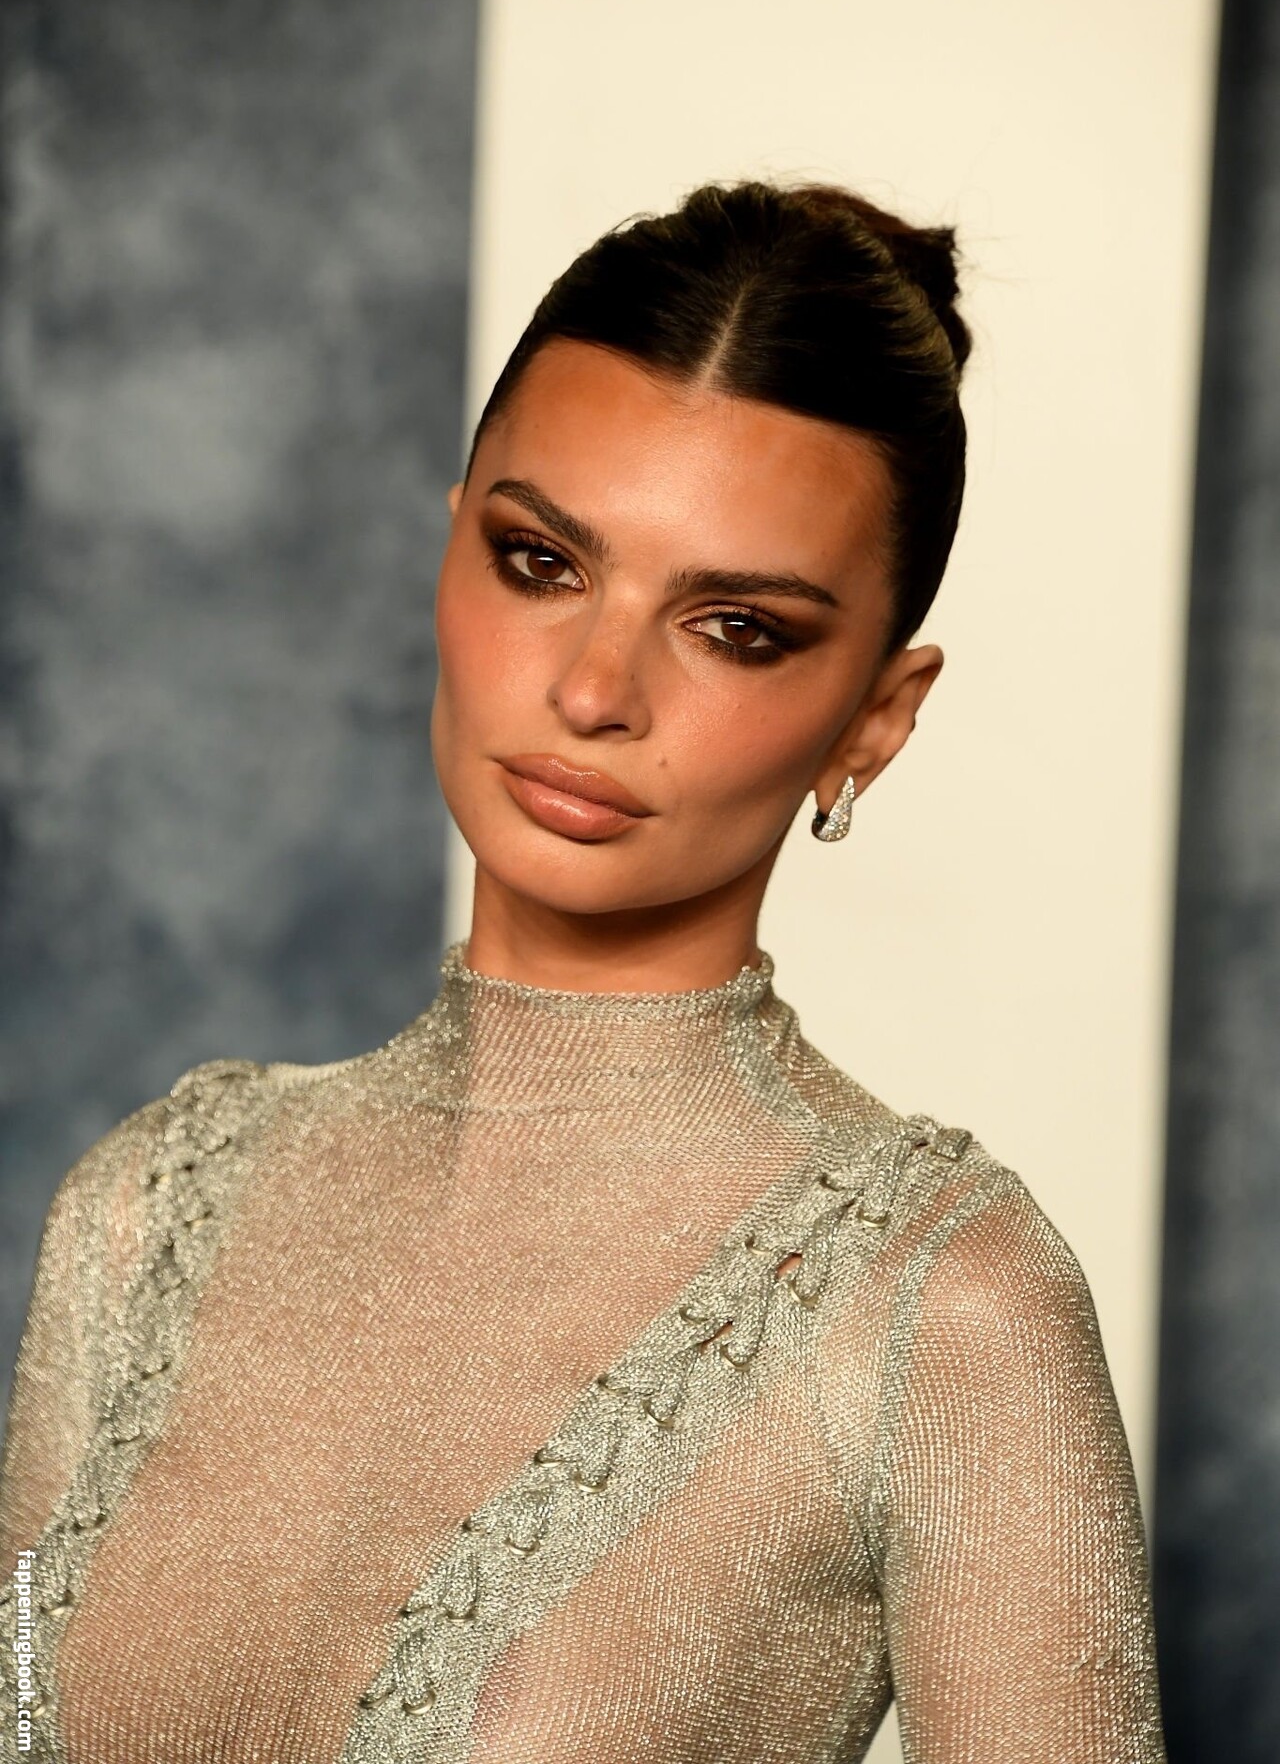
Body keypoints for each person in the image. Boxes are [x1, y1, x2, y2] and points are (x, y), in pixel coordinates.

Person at [0, 179, 1166, 1764]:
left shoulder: (938, 1304)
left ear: (876, 720)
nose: (595, 690)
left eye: (737, 628)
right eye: (540, 560)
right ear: (451, 548)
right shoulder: (149, 1207)